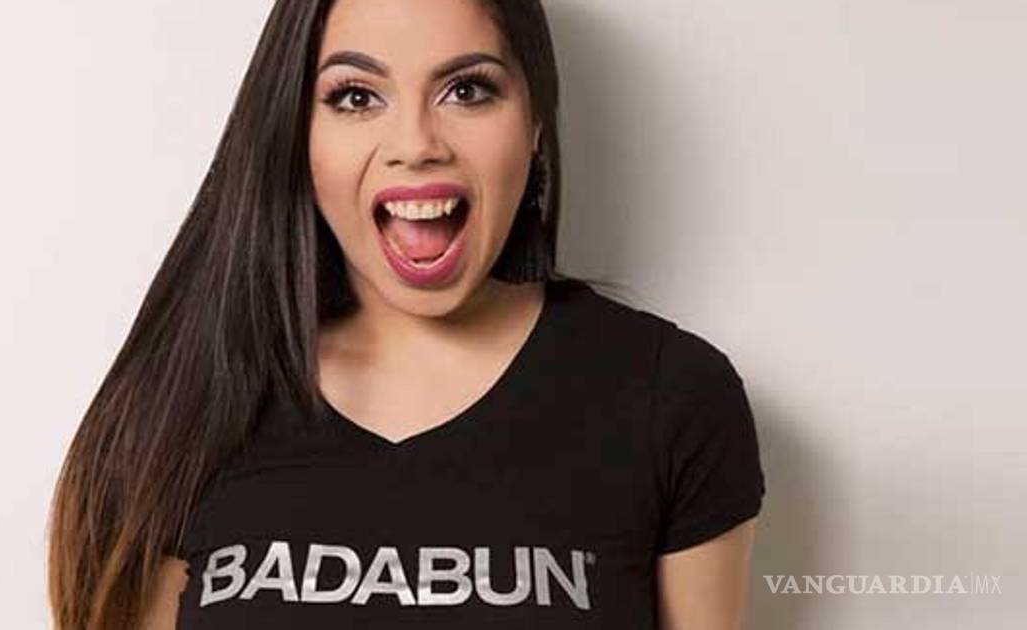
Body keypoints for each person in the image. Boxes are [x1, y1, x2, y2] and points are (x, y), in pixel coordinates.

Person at [47, 1, 766, 629]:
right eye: (357, 96)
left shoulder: (670, 399)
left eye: (467, 90)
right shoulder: (181, 406)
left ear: (535, 122)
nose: (417, 144)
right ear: (296, 134)